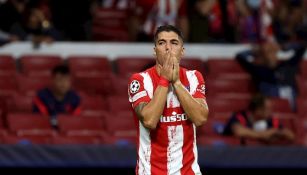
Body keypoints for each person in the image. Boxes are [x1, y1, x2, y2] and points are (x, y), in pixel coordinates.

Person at [128, 25, 208, 174]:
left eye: (174, 43)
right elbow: (150, 121)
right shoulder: (139, 80)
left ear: (182, 51)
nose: (168, 48)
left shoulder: (194, 77)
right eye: (162, 43)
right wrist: (164, 79)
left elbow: (201, 118)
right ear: (155, 51)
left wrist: (176, 82)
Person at [236, 41, 306, 109]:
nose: (271, 55)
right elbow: (239, 56)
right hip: (269, 108)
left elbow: (302, 48)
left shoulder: (287, 66)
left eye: (273, 51)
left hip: (289, 108)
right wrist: (254, 51)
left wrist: (284, 47)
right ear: (263, 55)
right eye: (268, 52)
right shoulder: (258, 70)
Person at [223, 94, 295, 144]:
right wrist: (263, 135)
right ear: (258, 110)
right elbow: (238, 131)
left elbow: (290, 135)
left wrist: (276, 132)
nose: (271, 112)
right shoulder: (240, 116)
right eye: (268, 109)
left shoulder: (271, 120)